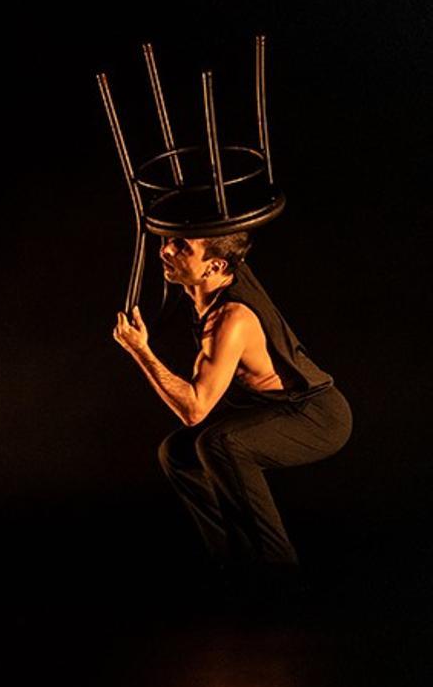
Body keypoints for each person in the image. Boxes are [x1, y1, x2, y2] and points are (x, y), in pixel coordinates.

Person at [112, 232, 351, 592]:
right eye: (170, 240)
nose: (165, 250)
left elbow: (194, 409)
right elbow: (224, 220)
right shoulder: (221, 270)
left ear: (216, 267)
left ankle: (280, 575)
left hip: (317, 417)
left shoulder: (230, 319)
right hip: (274, 409)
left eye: (182, 248)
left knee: (218, 442)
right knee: (177, 453)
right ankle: (233, 563)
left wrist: (140, 351)